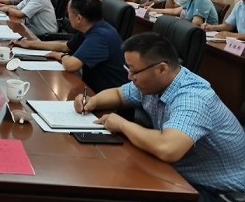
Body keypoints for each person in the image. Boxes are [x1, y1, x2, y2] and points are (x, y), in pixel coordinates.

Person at [74, 32, 245, 201]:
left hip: (217, 191)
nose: (130, 77)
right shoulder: (155, 81)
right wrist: (93, 101)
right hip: (178, 174)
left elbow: (167, 148)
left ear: (162, 68)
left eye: (134, 71)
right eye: (128, 69)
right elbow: (119, 94)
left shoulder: (193, 98)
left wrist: (123, 125)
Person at [11, 0, 127, 93]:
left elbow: (71, 65)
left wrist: (61, 56)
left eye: (69, 13)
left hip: (108, 96)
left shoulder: (100, 36)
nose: (67, 16)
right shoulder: (90, 27)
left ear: (79, 18)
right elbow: (65, 46)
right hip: (92, 87)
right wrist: (29, 43)